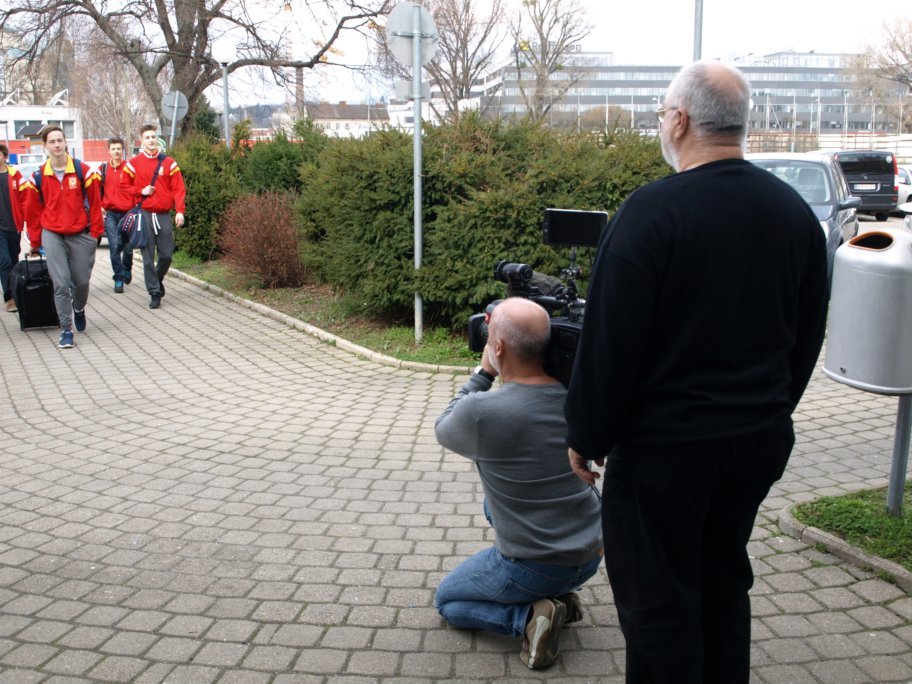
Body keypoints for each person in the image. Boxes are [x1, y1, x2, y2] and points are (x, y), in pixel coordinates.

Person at [563, 61, 829, 683]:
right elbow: (807, 333)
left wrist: (586, 433)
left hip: (667, 453)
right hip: (756, 442)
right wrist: (770, 410)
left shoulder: (651, 212)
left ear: (680, 121)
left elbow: (610, 341)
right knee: (722, 582)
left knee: (659, 605)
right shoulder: (793, 213)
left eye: (663, 114)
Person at [434, 297, 603, 671]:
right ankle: (559, 598)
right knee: (490, 504)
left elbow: (444, 426)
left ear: (497, 347)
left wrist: (484, 372)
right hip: (591, 552)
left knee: (448, 602)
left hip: (534, 566)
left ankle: (529, 616)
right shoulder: (577, 399)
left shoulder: (482, 412)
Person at [23, 126, 104, 349]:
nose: (57, 145)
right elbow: (33, 212)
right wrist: (35, 242)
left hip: (81, 233)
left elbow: (95, 203)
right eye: (52, 141)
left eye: (60, 140)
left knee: (81, 282)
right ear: (45, 146)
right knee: (60, 283)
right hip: (52, 234)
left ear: (66, 143)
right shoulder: (37, 177)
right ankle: (66, 329)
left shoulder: (83, 171)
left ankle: (78, 307)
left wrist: (96, 233)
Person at [121, 124, 186, 309]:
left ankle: (157, 279)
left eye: (153, 137)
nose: (151, 140)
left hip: (163, 214)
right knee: (148, 256)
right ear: (141, 141)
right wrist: (140, 191)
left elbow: (178, 188)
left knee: (166, 255)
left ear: (157, 139)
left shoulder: (169, 163)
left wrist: (180, 211)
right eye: (147, 137)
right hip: (145, 214)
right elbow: (124, 186)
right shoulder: (134, 163)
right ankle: (154, 292)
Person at [100, 136, 135, 292]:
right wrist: (100, 206)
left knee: (128, 248)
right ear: (109, 151)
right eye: (113, 149)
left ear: (123, 150)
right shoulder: (103, 169)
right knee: (114, 247)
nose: (116, 151)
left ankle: (127, 268)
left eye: (119, 148)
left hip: (128, 213)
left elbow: (137, 187)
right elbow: (96, 190)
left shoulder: (129, 168)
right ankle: (119, 278)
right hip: (111, 215)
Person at [0, 144, 27, 313]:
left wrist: (25, 220)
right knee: (4, 261)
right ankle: (9, 298)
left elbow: (25, 199)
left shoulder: (15, 175)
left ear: (4, 156)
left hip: (13, 225)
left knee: (14, 260)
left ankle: (16, 293)